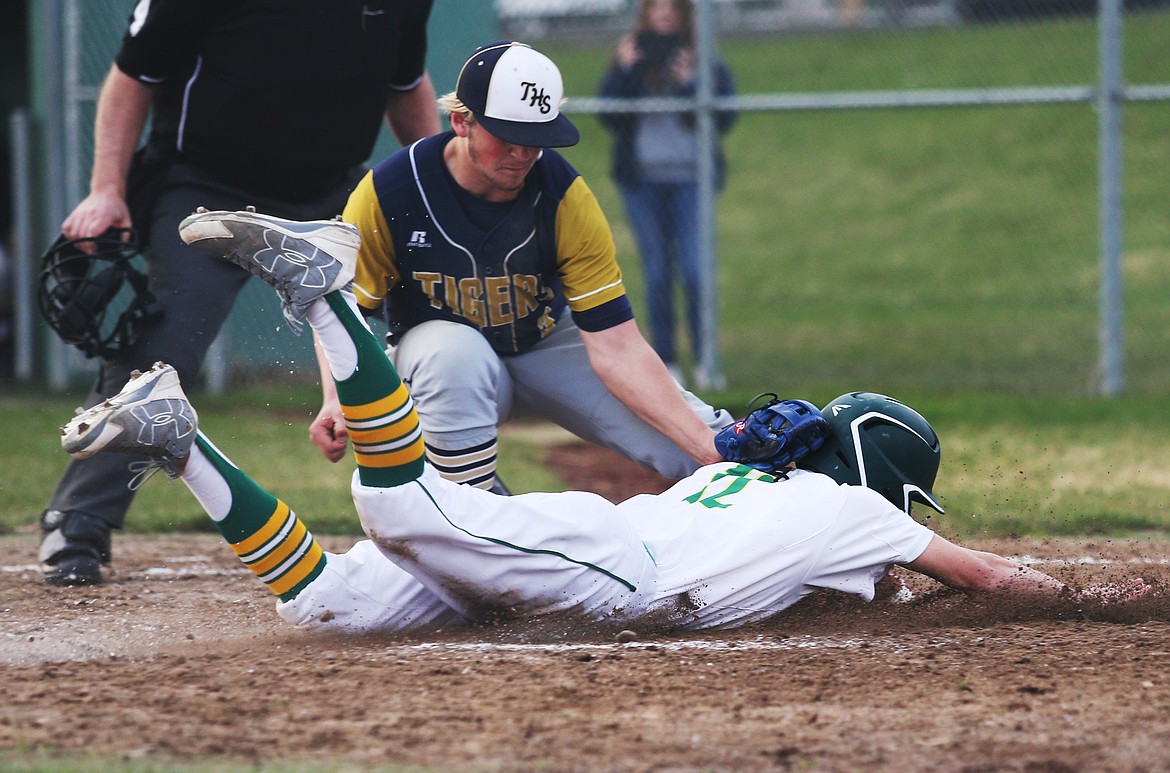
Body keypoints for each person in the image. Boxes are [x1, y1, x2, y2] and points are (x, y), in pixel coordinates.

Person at [56, 209, 1149, 635]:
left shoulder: (771, 484)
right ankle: (322, 292)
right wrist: (1114, 604)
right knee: (398, 501)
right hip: (602, 569)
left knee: (334, 607)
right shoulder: (847, 513)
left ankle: (178, 436)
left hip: (597, 542)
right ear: (880, 479)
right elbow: (992, 582)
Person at [38, 0, 442, 586]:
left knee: (401, 327)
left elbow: (406, 85)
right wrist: (107, 189)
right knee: (167, 341)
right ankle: (78, 519)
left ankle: (444, 514)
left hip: (331, 188)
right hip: (206, 185)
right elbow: (132, 78)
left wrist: (428, 186)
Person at [309, 40, 734, 496]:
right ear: (460, 122)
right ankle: (473, 514)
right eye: (507, 136)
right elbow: (342, 310)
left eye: (536, 138)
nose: (524, 153)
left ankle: (776, 502)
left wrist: (707, 447)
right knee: (451, 352)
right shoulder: (391, 191)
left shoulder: (564, 194)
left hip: (543, 340)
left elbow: (618, 348)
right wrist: (336, 398)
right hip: (441, 362)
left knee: (697, 437)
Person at [598, 0, 738, 387]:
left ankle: (707, 360)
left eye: (672, 7)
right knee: (657, 273)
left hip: (691, 180)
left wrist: (692, 81)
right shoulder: (629, 56)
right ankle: (668, 364)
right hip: (643, 182)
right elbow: (608, 116)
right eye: (656, 6)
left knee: (695, 272)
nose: (664, 13)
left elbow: (724, 118)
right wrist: (627, 71)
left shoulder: (701, 55)